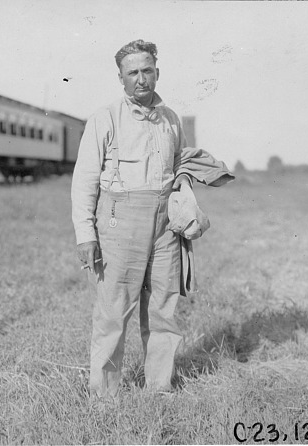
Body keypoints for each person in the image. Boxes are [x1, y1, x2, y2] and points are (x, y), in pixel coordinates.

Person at [71, 39, 233, 398]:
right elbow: (83, 181)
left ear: (157, 72)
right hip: (118, 223)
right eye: (132, 73)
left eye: (147, 70)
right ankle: (104, 397)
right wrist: (86, 235)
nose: (141, 79)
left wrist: (184, 188)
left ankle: (158, 388)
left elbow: (180, 166)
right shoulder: (105, 118)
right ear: (121, 78)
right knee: (114, 312)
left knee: (163, 309)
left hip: (164, 227)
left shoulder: (172, 119)